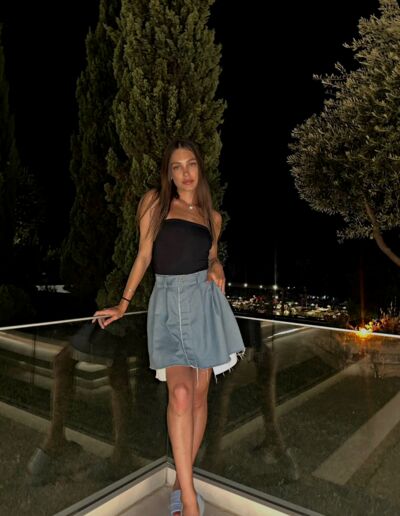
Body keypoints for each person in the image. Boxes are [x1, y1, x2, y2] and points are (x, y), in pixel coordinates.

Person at [93, 138, 245, 516]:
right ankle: (190, 501)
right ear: (169, 173)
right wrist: (123, 303)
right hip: (167, 307)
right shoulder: (155, 203)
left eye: (190, 164)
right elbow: (144, 255)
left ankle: (181, 483)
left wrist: (216, 265)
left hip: (204, 305)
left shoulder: (212, 217)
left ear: (200, 167)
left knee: (198, 398)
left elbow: (211, 256)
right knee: (179, 394)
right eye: (176, 167)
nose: (185, 173)